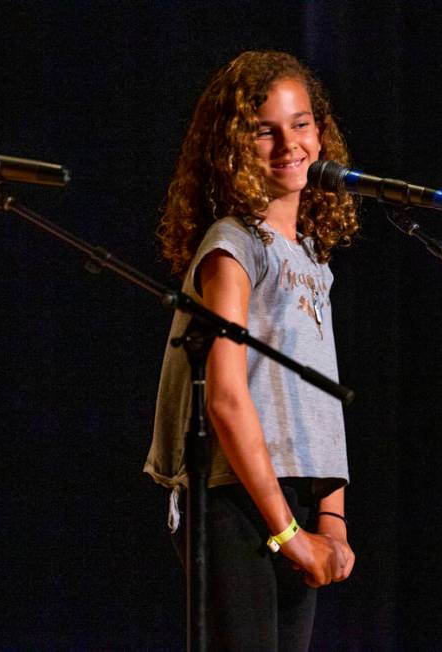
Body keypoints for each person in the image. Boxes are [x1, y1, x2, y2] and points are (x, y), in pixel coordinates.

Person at [144, 50, 360, 650]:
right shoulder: (232, 246)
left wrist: (332, 522)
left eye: (301, 123)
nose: (289, 143)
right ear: (234, 146)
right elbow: (227, 399)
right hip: (235, 497)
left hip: (289, 495)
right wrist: (289, 534)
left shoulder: (312, 258)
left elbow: (322, 397)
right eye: (265, 130)